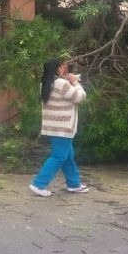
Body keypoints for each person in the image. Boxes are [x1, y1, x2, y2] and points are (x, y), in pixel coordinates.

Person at [29, 57, 89, 197]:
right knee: (59, 156)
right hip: (63, 128)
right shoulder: (62, 84)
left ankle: (73, 184)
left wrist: (69, 83)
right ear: (58, 68)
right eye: (63, 66)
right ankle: (39, 184)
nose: (65, 69)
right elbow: (81, 97)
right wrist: (75, 82)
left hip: (53, 127)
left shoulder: (46, 83)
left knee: (68, 156)